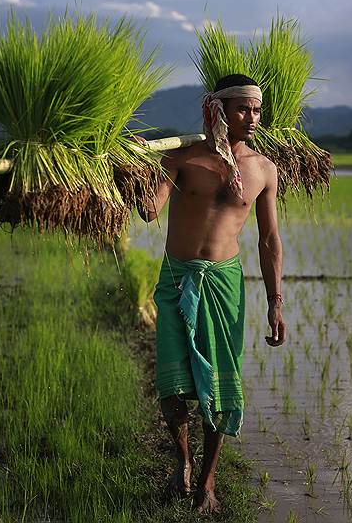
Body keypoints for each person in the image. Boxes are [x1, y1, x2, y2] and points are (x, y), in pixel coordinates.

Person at [137, 73, 286, 514]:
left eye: (257, 110)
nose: (252, 118)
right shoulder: (183, 159)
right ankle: (182, 460)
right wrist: (127, 170)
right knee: (171, 387)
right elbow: (150, 210)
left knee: (220, 388)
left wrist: (275, 301)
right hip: (177, 279)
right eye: (243, 108)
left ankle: (207, 482)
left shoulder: (263, 169)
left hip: (223, 285)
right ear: (218, 110)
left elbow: (268, 240)